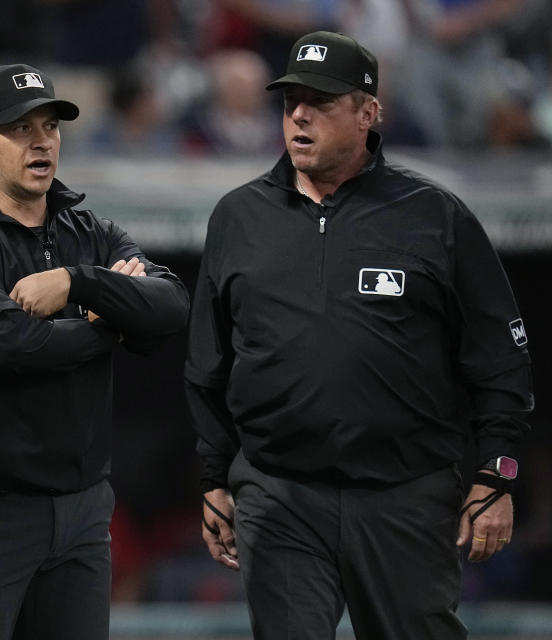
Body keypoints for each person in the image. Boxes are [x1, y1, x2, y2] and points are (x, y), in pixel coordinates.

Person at [185, 30, 534, 639]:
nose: (298, 114)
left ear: (368, 113)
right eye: (290, 99)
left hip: (405, 498)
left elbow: (500, 358)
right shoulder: (238, 217)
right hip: (280, 494)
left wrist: (496, 473)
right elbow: (206, 364)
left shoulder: (435, 216)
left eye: (320, 101)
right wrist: (214, 477)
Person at [0, 63, 190, 640]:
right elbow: (10, 341)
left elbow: (170, 307)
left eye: (50, 125)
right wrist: (111, 325)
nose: (40, 141)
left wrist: (81, 283)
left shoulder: (92, 233)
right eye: (19, 128)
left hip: (85, 510)